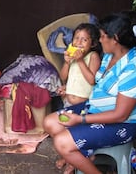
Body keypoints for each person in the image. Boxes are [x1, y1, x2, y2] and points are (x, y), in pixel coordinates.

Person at [43, 13, 136, 174]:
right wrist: (70, 88)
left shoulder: (134, 69)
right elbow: (97, 83)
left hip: (122, 124)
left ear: (114, 38)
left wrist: (81, 119)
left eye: (102, 36)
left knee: (61, 142)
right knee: (50, 122)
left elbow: (120, 115)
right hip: (94, 109)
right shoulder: (110, 56)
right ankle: (82, 157)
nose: (100, 40)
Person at [54, 23, 101, 170]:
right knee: (65, 130)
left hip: (83, 105)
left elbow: (91, 80)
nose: (79, 43)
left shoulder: (93, 57)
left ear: (92, 44)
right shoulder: (71, 56)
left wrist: (80, 61)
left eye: (84, 40)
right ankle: (66, 155)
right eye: (76, 38)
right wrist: (67, 63)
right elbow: (63, 76)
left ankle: (73, 164)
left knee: (78, 135)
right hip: (68, 102)